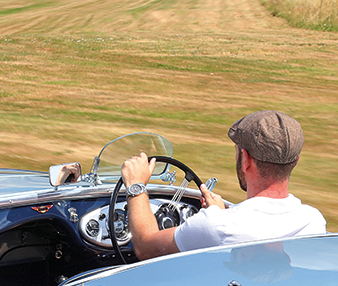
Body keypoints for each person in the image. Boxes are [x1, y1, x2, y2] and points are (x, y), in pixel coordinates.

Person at [120, 110, 327, 259]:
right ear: (296, 160)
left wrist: (136, 186)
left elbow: (146, 247)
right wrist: (222, 212)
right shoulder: (313, 221)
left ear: (245, 160)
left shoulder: (218, 226)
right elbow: (264, 225)